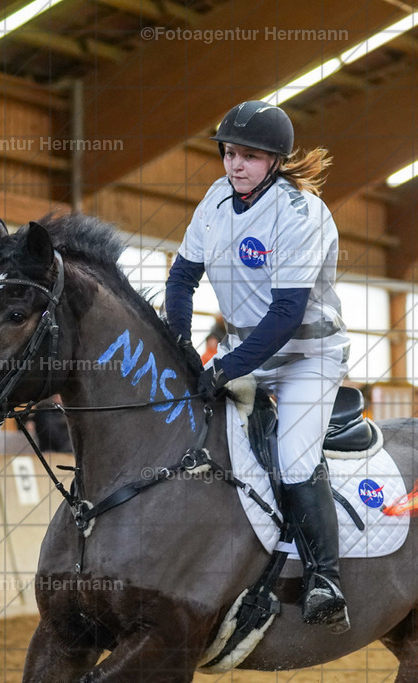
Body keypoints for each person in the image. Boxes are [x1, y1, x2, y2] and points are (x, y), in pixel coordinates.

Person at [165, 101, 351, 633]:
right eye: (229, 153)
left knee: (293, 458)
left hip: (306, 356)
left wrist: (223, 370)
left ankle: (324, 578)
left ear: (274, 161)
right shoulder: (215, 200)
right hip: (246, 351)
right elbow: (181, 280)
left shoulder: (300, 213)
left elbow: (287, 314)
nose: (234, 165)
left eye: (248, 156)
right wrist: (181, 345)